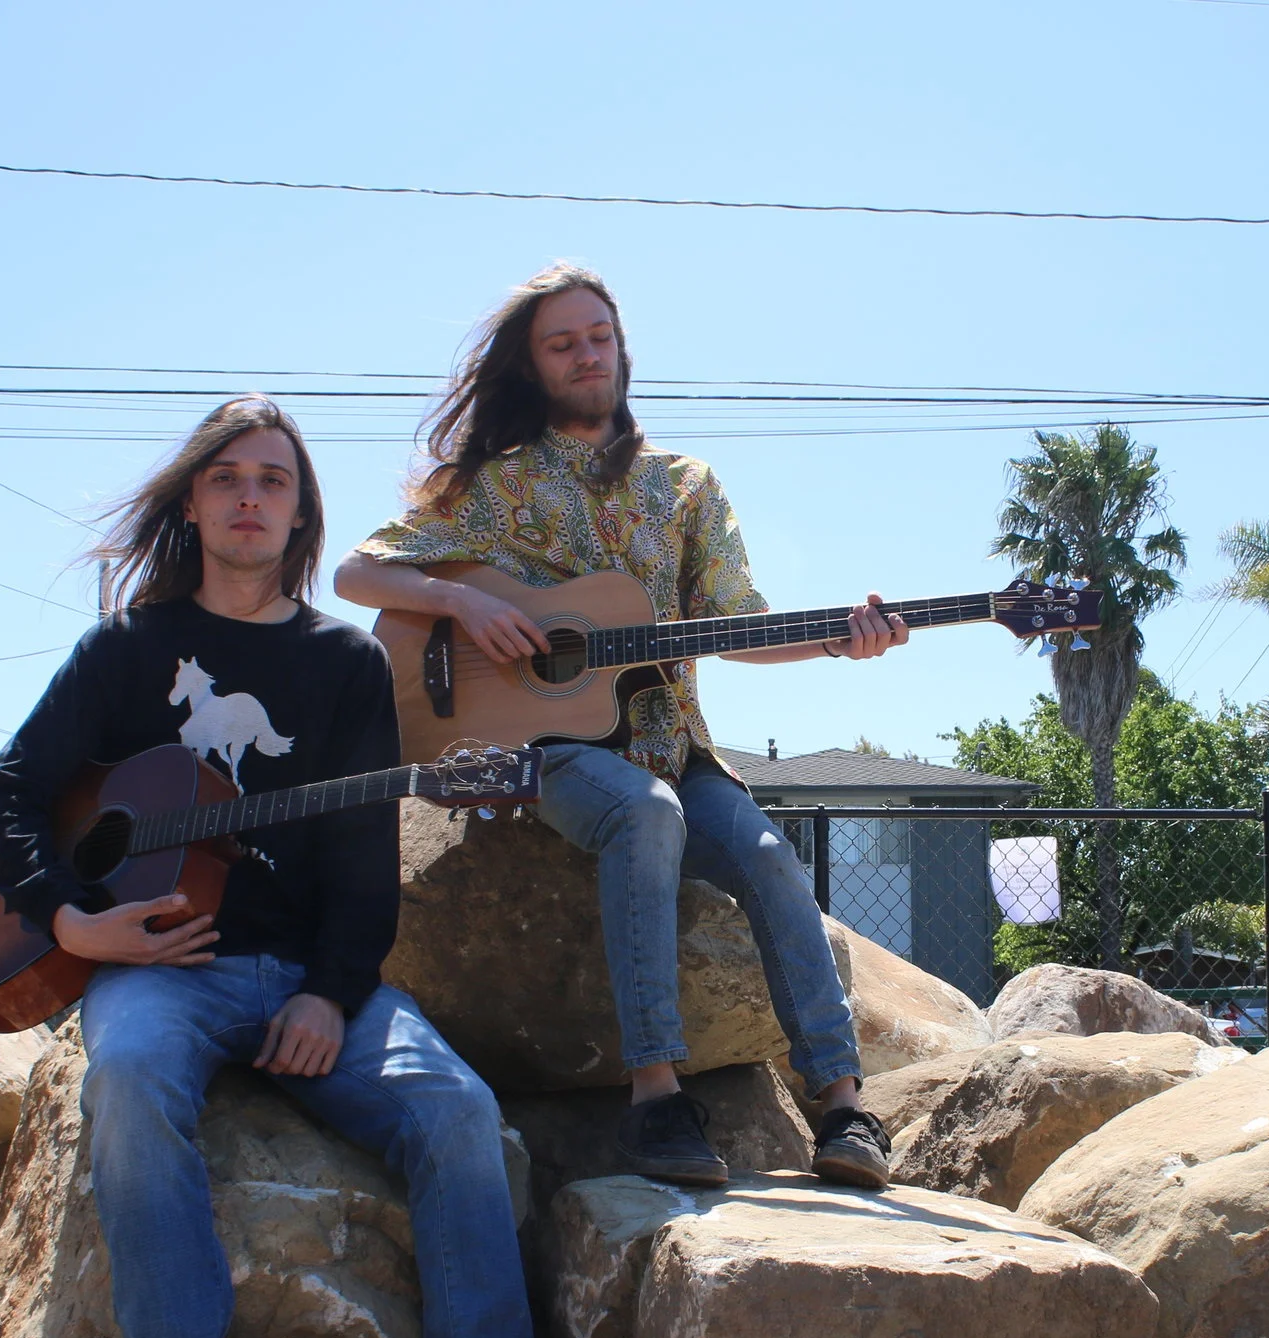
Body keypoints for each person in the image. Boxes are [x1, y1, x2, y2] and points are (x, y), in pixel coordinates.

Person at [0, 396, 597, 1338]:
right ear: (195, 502)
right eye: (228, 478)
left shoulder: (342, 664)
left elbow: (364, 863)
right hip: (159, 965)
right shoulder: (126, 651)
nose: (250, 496)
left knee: (456, 1112)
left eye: (272, 479)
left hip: (304, 975)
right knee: (131, 1080)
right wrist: (71, 919)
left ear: (300, 511)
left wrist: (328, 990)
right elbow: (6, 792)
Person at [334, 264, 909, 1191]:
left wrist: (841, 642)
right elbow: (358, 576)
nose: (586, 353)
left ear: (621, 347)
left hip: (671, 740)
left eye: (598, 335)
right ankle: (657, 1099)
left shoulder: (684, 487)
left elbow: (742, 627)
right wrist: (459, 603)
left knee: (764, 852)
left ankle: (843, 1106)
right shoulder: (494, 486)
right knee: (645, 814)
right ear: (533, 365)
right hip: (545, 751)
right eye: (562, 342)